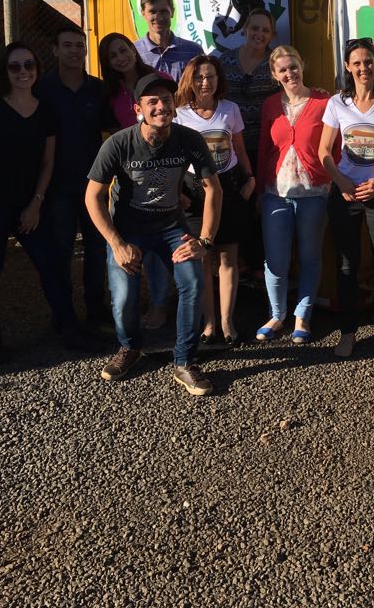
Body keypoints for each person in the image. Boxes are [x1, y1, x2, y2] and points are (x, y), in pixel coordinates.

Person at [85, 73, 222, 396]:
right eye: (153, 102)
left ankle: (184, 361)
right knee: (124, 297)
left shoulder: (189, 139)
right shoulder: (119, 144)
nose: (162, 107)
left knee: (193, 282)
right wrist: (116, 244)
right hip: (128, 231)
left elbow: (213, 189)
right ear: (138, 109)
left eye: (167, 100)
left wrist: (204, 241)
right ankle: (129, 346)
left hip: (171, 227)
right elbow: (92, 197)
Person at [0, 42, 86, 363]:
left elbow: (48, 163)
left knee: (52, 266)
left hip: (29, 205)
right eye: (15, 66)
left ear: (37, 69)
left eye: (29, 65)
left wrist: (35, 204)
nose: (23, 72)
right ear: (4, 71)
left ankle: (68, 328)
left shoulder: (45, 110)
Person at [318, 37, 374, 364]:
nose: (363, 68)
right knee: (347, 265)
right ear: (347, 66)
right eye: (356, 62)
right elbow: (323, 151)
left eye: (368, 61)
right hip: (345, 194)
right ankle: (348, 332)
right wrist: (341, 181)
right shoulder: (337, 103)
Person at [174, 54, 255, 346]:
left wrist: (250, 179)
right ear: (190, 80)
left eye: (210, 76)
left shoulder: (230, 109)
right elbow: (175, 159)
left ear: (219, 79)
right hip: (195, 191)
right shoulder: (179, 115)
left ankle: (227, 321)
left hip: (229, 186)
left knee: (228, 256)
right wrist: (178, 193)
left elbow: (239, 149)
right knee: (203, 258)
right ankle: (208, 323)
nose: (205, 82)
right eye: (199, 77)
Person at [255, 46, 333, 345]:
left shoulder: (323, 102)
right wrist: (260, 188)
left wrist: (334, 179)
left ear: (303, 65)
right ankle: (277, 315)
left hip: (314, 192)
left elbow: (335, 145)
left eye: (294, 67)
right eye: (283, 70)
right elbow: (265, 147)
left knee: (310, 256)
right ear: (274, 75)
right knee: (275, 259)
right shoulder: (270, 105)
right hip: (276, 192)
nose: (290, 74)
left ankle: (303, 317)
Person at [98, 31, 174, 328]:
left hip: (163, 168)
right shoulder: (109, 93)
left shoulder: (158, 78)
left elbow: (175, 120)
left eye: (124, 50)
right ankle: (127, 309)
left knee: (158, 244)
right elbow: (110, 133)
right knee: (127, 240)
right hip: (129, 175)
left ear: (133, 49)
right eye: (112, 55)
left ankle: (159, 304)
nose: (120, 57)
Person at [35, 27, 109, 327]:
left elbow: (111, 130)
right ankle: (63, 315)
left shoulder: (98, 89)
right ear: (55, 50)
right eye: (67, 45)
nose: (75, 51)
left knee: (97, 249)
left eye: (80, 45)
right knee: (61, 251)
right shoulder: (41, 89)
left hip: (94, 185)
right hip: (56, 186)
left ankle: (96, 310)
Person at [214, 8, 279, 174]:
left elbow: (292, 92)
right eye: (255, 28)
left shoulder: (277, 63)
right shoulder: (226, 60)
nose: (259, 34)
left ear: (272, 35)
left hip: (266, 145)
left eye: (266, 30)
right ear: (245, 29)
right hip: (229, 144)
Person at [134, 0, 203, 81]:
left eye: (163, 11)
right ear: (143, 14)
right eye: (152, 12)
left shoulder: (193, 51)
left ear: (172, 11)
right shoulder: (134, 52)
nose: (159, 17)